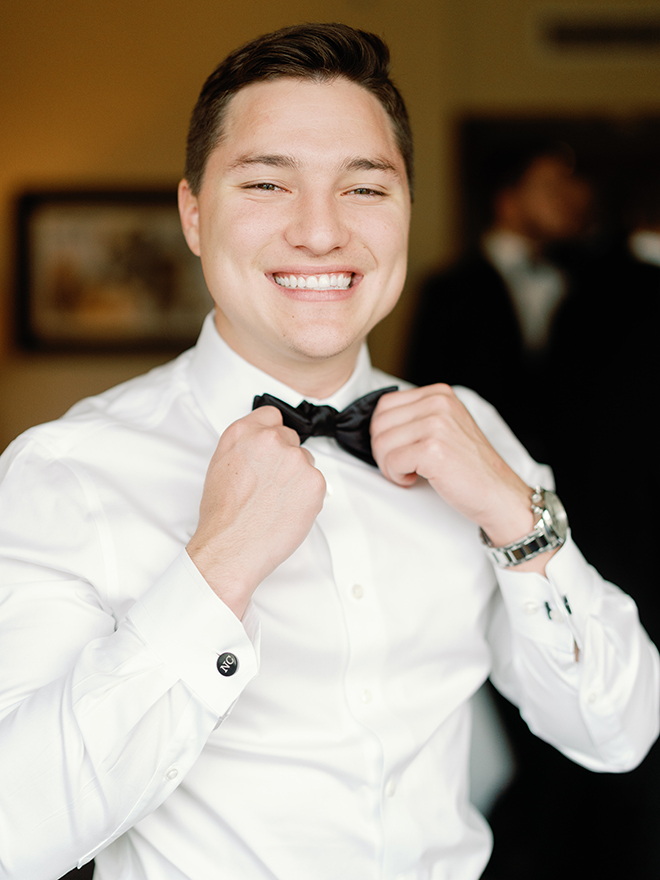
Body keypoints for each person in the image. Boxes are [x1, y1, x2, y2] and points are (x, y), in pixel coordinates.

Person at [0, 23, 657, 880]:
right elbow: (16, 832)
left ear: (407, 212)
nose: (321, 233)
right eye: (268, 183)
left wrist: (513, 515)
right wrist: (218, 567)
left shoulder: (477, 433)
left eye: (365, 189)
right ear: (194, 214)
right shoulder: (66, 471)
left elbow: (619, 731)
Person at [405, 142, 594, 460]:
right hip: (475, 462)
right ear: (507, 199)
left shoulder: (583, 280)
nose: (567, 197)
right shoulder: (447, 288)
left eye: (568, 183)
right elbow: (422, 387)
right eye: (551, 186)